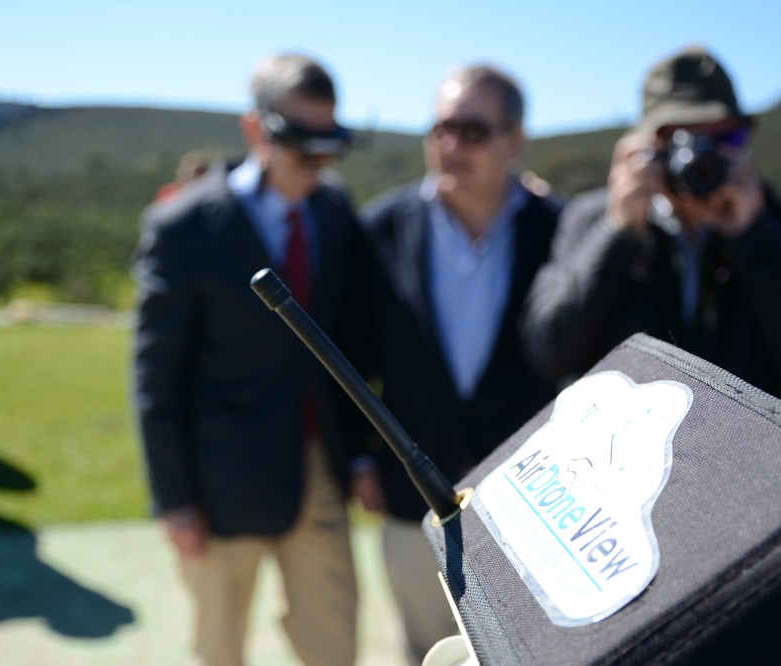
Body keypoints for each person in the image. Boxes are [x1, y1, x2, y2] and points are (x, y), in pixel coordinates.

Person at [132, 54, 360, 666]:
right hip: (218, 485)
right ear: (255, 129)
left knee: (335, 643)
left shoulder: (336, 214)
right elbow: (155, 376)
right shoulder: (183, 226)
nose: (317, 161)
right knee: (220, 647)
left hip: (316, 469)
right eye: (299, 142)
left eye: (329, 143)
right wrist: (175, 499)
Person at [350, 64, 561, 665]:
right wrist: (359, 455)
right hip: (408, 497)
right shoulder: (382, 227)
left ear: (514, 142)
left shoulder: (560, 228)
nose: (449, 145)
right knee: (426, 653)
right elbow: (353, 351)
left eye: (472, 131)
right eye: (440, 127)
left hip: (530, 500)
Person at [522, 46, 781, 400]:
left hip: (739, 451)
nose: (702, 159)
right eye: (683, 140)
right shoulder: (590, 220)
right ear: (646, 147)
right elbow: (550, 352)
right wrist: (617, 234)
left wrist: (754, 241)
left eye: (726, 139)